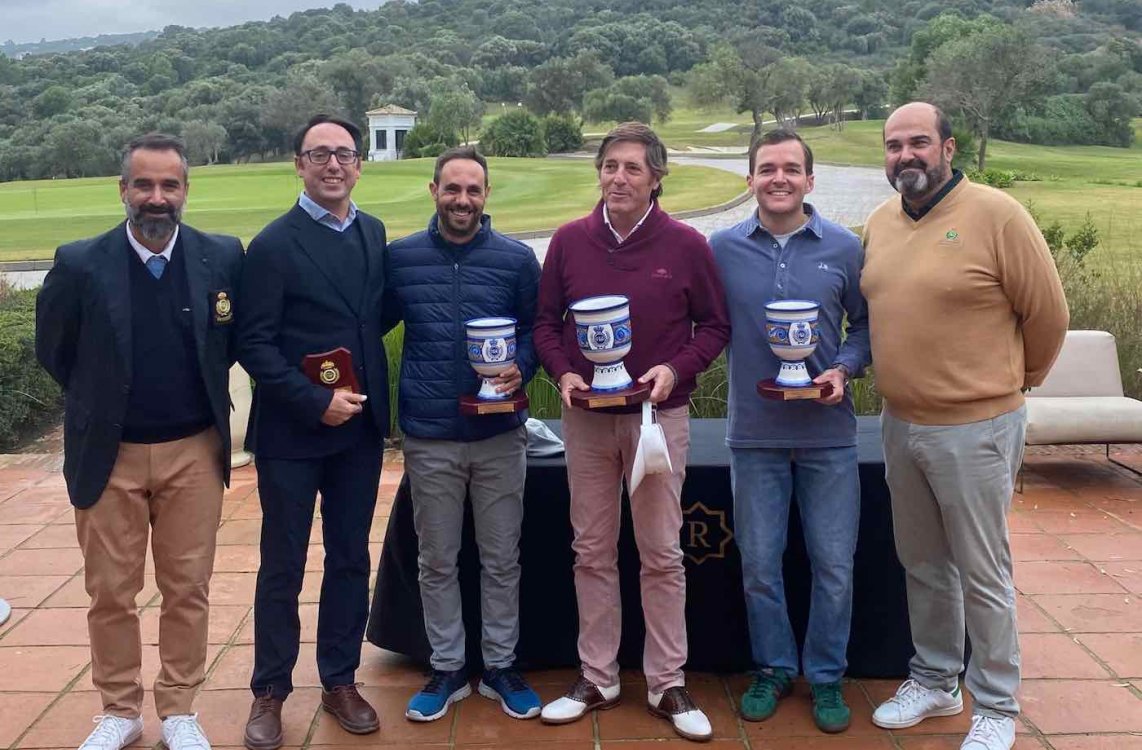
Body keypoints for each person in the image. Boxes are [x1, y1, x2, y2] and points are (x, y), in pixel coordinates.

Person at [862, 102, 1068, 750]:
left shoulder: (997, 215)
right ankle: (936, 680)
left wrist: (1013, 382)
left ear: (948, 148)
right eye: (895, 145)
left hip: (975, 428)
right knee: (922, 564)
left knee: (982, 570)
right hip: (900, 422)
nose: (906, 156)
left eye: (919, 142)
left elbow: (1048, 314)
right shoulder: (880, 222)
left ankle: (998, 704)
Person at [35, 133, 243, 750]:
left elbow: (228, 344)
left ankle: (180, 708)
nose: (157, 198)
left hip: (194, 453)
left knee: (188, 587)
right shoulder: (80, 263)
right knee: (110, 591)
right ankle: (120, 710)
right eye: (144, 185)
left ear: (186, 189)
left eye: (169, 185)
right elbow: (56, 352)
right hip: (110, 454)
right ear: (122, 189)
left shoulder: (221, 256)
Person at [532, 122, 730, 742]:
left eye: (633, 169)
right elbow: (545, 324)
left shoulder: (686, 244)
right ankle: (599, 676)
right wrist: (563, 373)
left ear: (656, 178)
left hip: (656, 419)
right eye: (610, 166)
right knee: (590, 549)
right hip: (586, 420)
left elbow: (715, 327)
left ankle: (667, 680)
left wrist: (676, 369)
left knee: (662, 554)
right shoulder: (569, 241)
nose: (619, 178)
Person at [237, 114, 391, 750]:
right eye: (319, 154)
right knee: (283, 564)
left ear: (359, 165)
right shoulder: (273, 244)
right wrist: (313, 399)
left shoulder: (374, 232)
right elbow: (254, 342)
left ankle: (340, 679)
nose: (333, 164)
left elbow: (371, 319)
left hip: (357, 431)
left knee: (351, 560)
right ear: (298, 164)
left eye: (344, 154)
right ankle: (270, 690)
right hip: (293, 435)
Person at [709, 128, 870, 734]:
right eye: (767, 168)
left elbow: (865, 327)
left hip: (829, 432)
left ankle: (826, 676)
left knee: (834, 563)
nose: (779, 178)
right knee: (759, 563)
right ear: (750, 178)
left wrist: (845, 367)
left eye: (791, 168)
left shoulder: (845, 247)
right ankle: (774, 666)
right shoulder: (721, 248)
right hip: (754, 435)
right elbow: (698, 320)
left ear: (810, 178)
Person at [384, 146, 543, 722]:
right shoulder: (400, 259)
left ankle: (499, 665)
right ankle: (449, 667)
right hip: (430, 434)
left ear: (486, 196)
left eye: (473, 190)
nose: (463, 200)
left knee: (502, 558)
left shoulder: (517, 259)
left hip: (500, 433)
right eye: (452, 189)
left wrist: (520, 368)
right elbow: (365, 323)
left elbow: (536, 331)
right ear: (433, 191)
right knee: (437, 559)